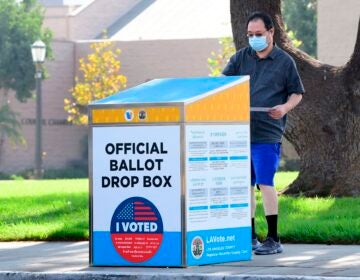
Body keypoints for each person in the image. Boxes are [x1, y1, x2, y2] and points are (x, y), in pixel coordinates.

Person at [222, 11, 304, 255]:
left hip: (267, 133)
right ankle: (249, 237)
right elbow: (221, 84)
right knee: (244, 185)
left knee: (265, 184)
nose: (254, 39)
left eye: (258, 34)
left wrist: (285, 107)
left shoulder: (284, 61)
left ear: (271, 32)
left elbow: (297, 92)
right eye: (250, 35)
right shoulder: (240, 58)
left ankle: (273, 238)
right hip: (241, 132)